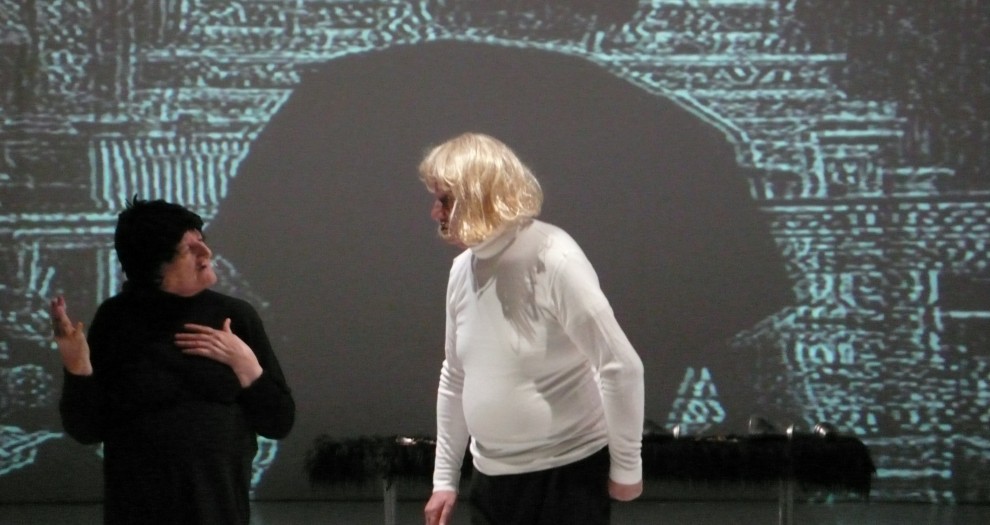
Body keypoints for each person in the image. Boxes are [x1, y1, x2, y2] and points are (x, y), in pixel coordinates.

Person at [420, 133, 645, 525]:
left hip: (566, 479)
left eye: (445, 200)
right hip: (492, 481)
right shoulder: (462, 271)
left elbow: (620, 365)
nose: (435, 212)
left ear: (480, 197)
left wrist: (627, 468)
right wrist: (444, 479)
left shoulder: (553, 258)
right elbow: (455, 378)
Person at [51, 197, 295, 525]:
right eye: (189, 249)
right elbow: (87, 428)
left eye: (202, 241)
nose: (206, 253)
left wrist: (246, 364)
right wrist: (77, 366)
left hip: (219, 511)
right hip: (138, 511)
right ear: (156, 266)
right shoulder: (116, 319)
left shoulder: (235, 315)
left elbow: (278, 421)